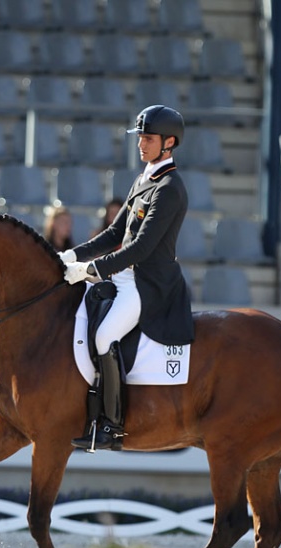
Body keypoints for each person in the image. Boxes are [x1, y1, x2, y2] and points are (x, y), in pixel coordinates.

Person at [60, 105, 194, 451]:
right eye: (140, 139)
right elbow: (114, 232)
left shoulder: (169, 188)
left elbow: (142, 248)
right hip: (123, 274)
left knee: (105, 337)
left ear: (169, 142)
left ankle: (111, 424)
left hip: (147, 284)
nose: (141, 145)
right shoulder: (144, 179)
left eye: (147, 139)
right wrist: (73, 255)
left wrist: (93, 270)